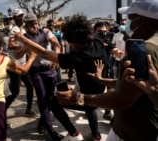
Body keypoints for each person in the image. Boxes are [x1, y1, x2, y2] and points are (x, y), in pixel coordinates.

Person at [14, 0, 158, 140]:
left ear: (142, 20)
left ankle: (74, 133)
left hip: (133, 131)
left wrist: (23, 39)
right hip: (117, 118)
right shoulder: (97, 40)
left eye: (130, 18)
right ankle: (95, 134)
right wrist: (103, 80)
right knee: (89, 109)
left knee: (55, 102)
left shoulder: (146, 50)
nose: (127, 23)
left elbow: (123, 99)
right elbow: (135, 84)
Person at [21, 13, 63, 140]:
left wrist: (56, 59)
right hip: (35, 71)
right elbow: (18, 53)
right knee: (42, 98)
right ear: (26, 25)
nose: (34, 25)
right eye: (30, 23)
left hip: (50, 70)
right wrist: (23, 48)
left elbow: (56, 45)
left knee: (50, 98)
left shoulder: (46, 31)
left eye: (35, 22)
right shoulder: (24, 37)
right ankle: (50, 130)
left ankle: (42, 121)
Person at [6, 9, 37, 117]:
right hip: (14, 63)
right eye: (19, 16)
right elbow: (10, 45)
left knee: (29, 86)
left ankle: (28, 109)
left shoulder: (22, 29)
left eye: (22, 15)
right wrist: (24, 46)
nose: (21, 17)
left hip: (23, 63)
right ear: (14, 18)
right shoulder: (14, 29)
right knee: (15, 91)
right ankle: (1, 112)